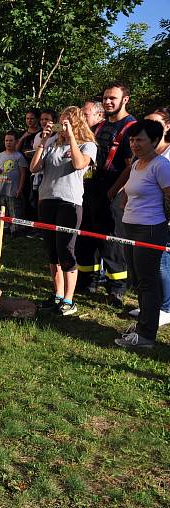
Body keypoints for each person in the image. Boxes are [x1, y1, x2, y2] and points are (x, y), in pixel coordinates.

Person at [30, 106, 97, 316]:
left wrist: (71, 138)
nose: (61, 126)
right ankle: (58, 294)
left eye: (66, 123)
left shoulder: (88, 145)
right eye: (60, 122)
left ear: (76, 124)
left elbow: (79, 165)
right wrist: (43, 140)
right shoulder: (50, 144)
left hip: (70, 203)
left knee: (66, 249)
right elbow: (33, 168)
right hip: (47, 200)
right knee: (52, 251)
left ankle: (69, 300)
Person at [76, 82, 135, 305]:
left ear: (125, 100)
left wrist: (114, 191)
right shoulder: (99, 127)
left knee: (111, 240)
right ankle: (88, 279)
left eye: (113, 98)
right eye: (106, 98)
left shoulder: (131, 127)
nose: (108, 101)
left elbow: (131, 166)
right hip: (91, 187)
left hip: (113, 189)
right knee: (87, 234)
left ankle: (117, 287)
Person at [115, 119, 170, 348]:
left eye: (140, 139)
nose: (134, 144)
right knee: (137, 280)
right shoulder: (137, 163)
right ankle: (142, 327)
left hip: (149, 229)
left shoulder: (161, 166)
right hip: (129, 226)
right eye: (132, 139)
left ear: (155, 141)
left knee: (148, 283)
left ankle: (146, 336)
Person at [0, 131, 29, 235]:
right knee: (2, 210)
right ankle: (4, 229)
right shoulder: (0, 155)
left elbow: (23, 174)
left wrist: (20, 188)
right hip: (0, 189)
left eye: (11, 140)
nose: (8, 143)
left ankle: (15, 230)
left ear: (16, 142)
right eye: (6, 140)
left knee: (14, 210)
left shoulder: (19, 156)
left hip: (13, 190)